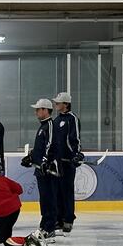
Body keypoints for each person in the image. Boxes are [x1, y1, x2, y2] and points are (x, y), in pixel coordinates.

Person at [21, 98, 59, 240]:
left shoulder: (49, 125)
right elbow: (41, 147)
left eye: (38, 109)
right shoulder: (43, 126)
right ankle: (44, 225)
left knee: (49, 199)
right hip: (41, 169)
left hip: (48, 170)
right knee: (44, 199)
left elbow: (49, 146)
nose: (36, 112)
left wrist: (43, 162)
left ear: (45, 110)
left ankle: (49, 228)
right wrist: (31, 157)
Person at [52, 92, 83, 233]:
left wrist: (76, 154)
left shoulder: (72, 119)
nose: (56, 105)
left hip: (68, 162)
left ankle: (68, 219)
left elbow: (75, 139)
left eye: (58, 103)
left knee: (67, 191)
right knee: (57, 191)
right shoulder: (56, 120)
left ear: (66, 104)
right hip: (57, 162)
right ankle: (58, 219)